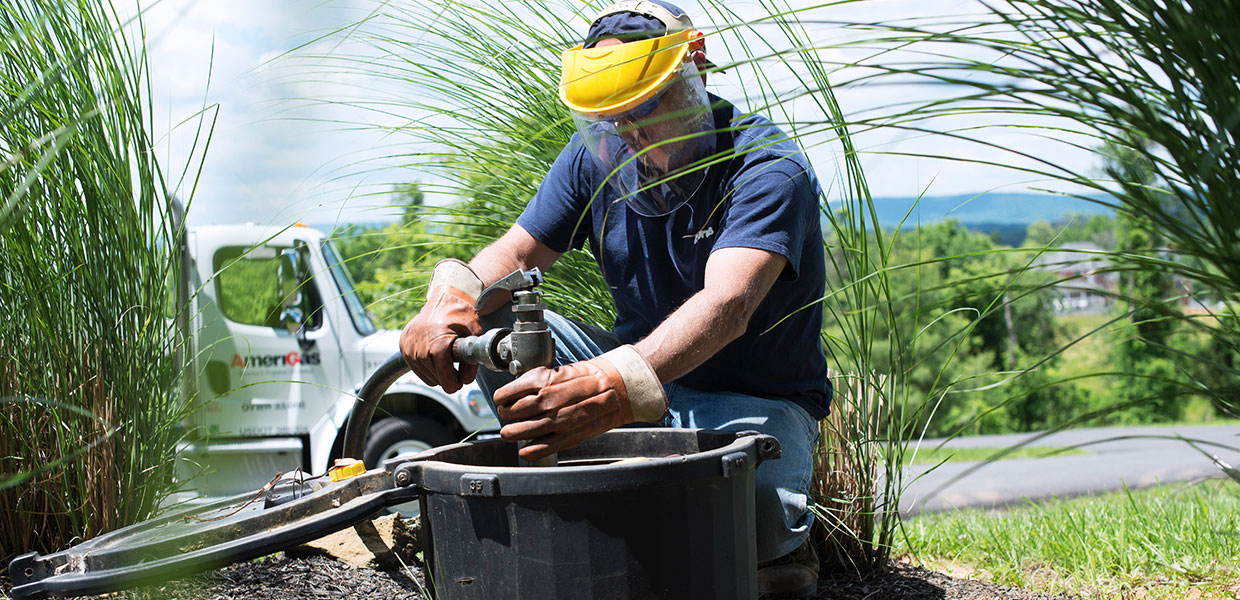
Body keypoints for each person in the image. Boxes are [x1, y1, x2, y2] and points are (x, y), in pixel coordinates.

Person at [399, 1, 831, 597]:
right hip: (634, 370)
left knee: (751, 505)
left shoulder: (766, 170)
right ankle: (571, 492)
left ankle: (783, 543)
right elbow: (517, 254)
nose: (631, 134)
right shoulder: (598, 155)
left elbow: (727, 307)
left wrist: (612, 385)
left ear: (697, 68)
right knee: (492, 311)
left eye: (648, 107)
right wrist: (450, 297)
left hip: (749, 399)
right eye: (611, 120)